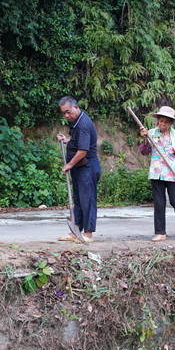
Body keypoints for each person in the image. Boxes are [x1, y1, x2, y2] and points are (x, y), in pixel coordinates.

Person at [139, 106, 175, 242]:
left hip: (172, 174)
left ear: (170, 123)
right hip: (156, 173)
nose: (163, 124)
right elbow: (144, 151)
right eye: (161, 121)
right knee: (159, 203)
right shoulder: (151, 134)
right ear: (158, 121)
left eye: (166, 122)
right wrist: (144, 139)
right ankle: (160, 232)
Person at [56, 96, 101, 243]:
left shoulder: (82, 124)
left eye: (68, 112)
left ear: (76, 107)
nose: (66, 115)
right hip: (80, 168)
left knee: (87, 200)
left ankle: (88, 234)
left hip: (87, 167)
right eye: (64, 113)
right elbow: (79, 143)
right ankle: (76, 231)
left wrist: (69, 164)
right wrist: (67, 141)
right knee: (79, 200)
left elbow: (83, 150)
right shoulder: (76, 123)